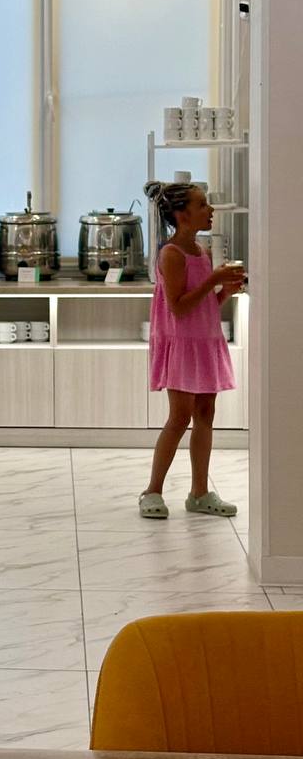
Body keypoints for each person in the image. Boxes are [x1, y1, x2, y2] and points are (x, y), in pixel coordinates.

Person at [138, 181, 246, 519]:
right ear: (182, 215)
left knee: (205, 414)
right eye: (202, 205)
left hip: (205, 341)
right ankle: (152, 490)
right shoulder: (171, 254)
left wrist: (224, 293)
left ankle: (199, 492)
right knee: (179, 417)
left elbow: (203, 305)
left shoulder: (201, 251)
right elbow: (179, 307)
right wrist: (214, 280)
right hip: (183, 345)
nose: (210, 210)